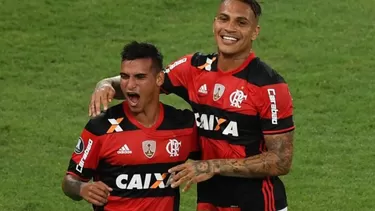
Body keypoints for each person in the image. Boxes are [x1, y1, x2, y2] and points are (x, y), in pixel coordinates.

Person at [88, 0, 295, 210]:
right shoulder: (194, 69)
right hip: (210, 201)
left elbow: (281, 160)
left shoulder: (269, 86)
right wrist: (106, 84)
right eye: (224, 19)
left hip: (257, 203)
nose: (230, 28)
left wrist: (212, 165)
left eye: (241, 22)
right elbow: (147, 83)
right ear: (215, 22)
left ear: (254, 31)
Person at [62, 41, 200, 211]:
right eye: (125, 77)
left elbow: (219, 151)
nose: (130, 85)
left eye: (140, 77)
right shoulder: (101, 128)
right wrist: (81, 188)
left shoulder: (183, 125)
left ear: (159, 79)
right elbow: (70, 181)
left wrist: (207, 166)